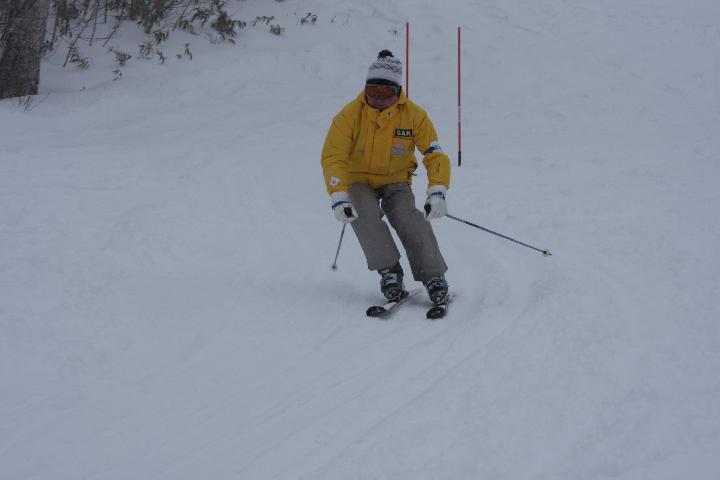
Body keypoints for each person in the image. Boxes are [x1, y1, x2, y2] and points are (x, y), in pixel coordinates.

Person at [321, 49, 452, 305]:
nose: (379, 99)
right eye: (373, 92)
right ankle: (389, 270)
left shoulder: (414, 115)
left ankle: (433, 275)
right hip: (358, 180)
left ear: (398, 91)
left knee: (407, 216)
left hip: (395, 180)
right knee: (362, 213)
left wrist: (438, 190)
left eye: (386, 93)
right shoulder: (349, 115)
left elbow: (434, 154)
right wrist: (339, 195)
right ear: (365, 89)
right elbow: (333, 155)